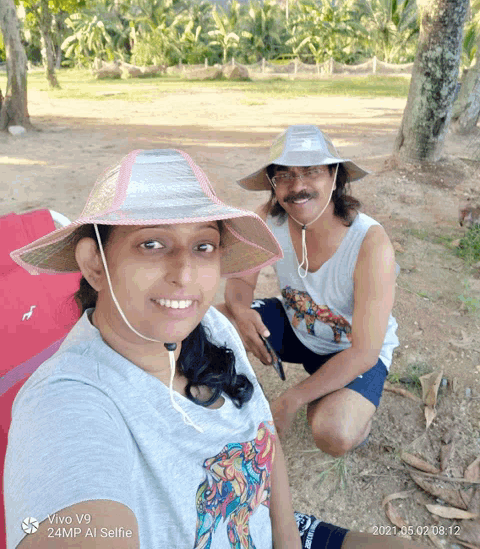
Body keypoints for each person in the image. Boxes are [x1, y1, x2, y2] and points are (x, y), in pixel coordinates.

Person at [5, 149, 421, 549]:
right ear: (95, 263)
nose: (185, 274)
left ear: (334, 177)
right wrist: (244, 311)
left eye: (203, 246)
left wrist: (287, 539)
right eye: (152, 244)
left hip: (258, 515)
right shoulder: (65, 404)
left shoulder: (209, 326)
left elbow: (262, 433)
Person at [220, 125, 399, 457]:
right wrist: (243, 313)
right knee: (214, 319)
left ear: (335, 177)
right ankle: (217, 400)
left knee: (334, 433)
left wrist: (292, 398)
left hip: (350, 349)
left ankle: (347, 404)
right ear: (273, 185)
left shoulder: (369, 243)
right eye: (285, 175)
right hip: (298, 326)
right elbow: (240, 285)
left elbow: (364, 352)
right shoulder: (267, 221)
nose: (297, 186)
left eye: (311, 172)